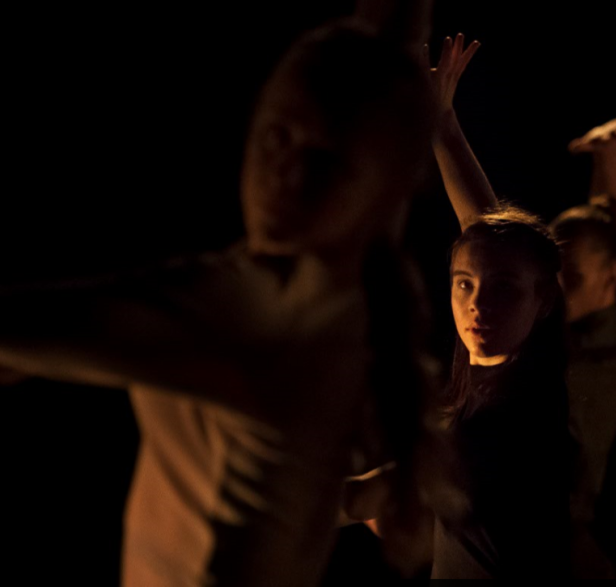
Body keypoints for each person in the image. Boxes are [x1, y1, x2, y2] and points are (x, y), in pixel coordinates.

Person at [0, 7, 439, 586]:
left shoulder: (265, 308)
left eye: (325, 163)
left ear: (382, 185)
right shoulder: (353, 272)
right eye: (277, 136)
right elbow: (380, 144)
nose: (287, 173)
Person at [426, 34, 574, 579]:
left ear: (544, 301)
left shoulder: (543, 396)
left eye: (505, 289)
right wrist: (441, 121)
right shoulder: (473, 388)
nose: (477, 303)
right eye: (463, 284)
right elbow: (485, 237)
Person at [552, 115, 616, 577]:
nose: (555, 290)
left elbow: (612, 241)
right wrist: (607, 157)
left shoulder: (603, 350)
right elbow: (609, 233)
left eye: (569, 279)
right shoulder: (586, 314)